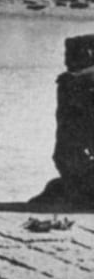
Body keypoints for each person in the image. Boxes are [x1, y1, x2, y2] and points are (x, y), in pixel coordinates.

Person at [30, 35, 94, 207]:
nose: (67, 62)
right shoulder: (73, 85)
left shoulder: (74, 85)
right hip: (78, 168)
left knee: (63, 185)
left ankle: (72, 190)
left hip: (78, 168)